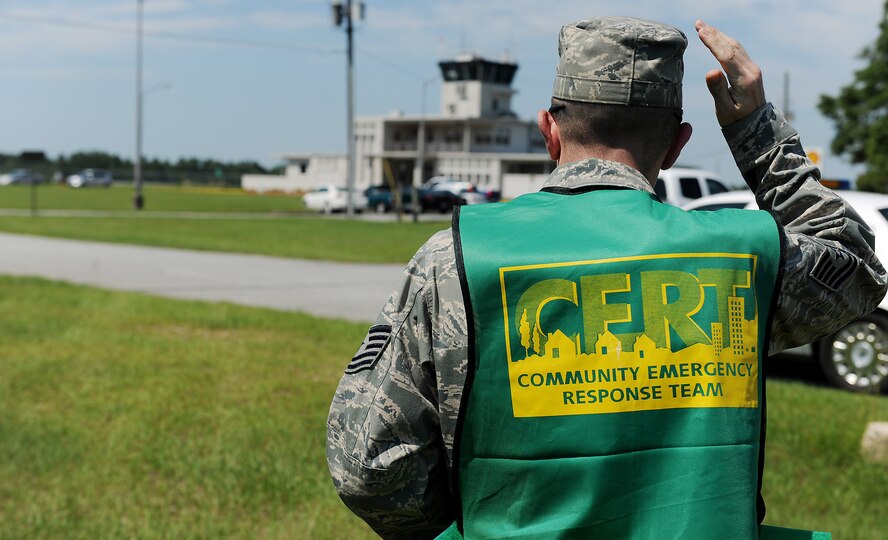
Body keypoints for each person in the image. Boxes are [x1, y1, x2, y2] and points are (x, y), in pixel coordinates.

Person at [327, 17, 887, 539]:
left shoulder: (454, 258)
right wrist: (755, 133)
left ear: (549, 131)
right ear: (675, 146)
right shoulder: (741, 256)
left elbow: (369, 467)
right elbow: (858, 268)